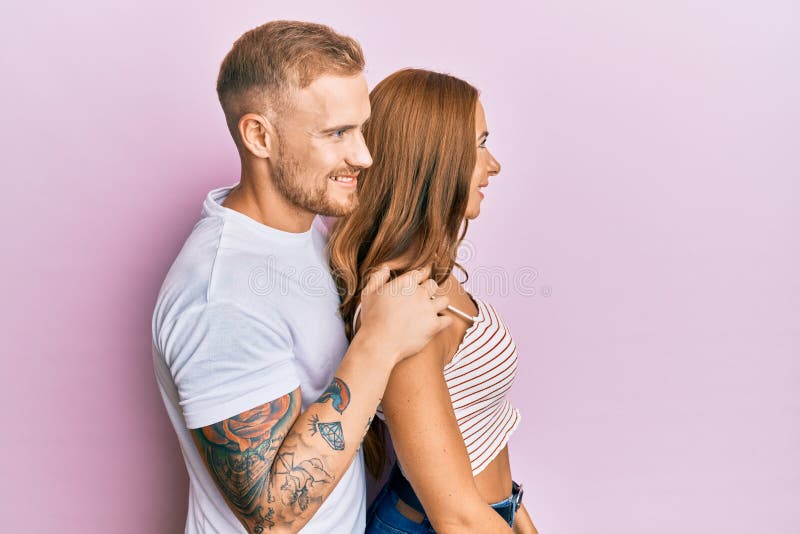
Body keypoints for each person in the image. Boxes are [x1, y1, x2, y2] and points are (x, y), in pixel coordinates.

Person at [151, 22, 453, 534]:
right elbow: (271, 516)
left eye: (362, 128)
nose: (364, 156)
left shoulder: (300, 228)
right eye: (337, 134)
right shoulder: (220, 295)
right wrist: (378, 343)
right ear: (259, 136)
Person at [329, 69, 539, 533]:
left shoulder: (432, 273)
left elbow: (477, 430)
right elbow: (455, 518)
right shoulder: (403, 305)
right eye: (480, 145)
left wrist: (517, 512)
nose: (494, 165)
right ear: (434, 162)